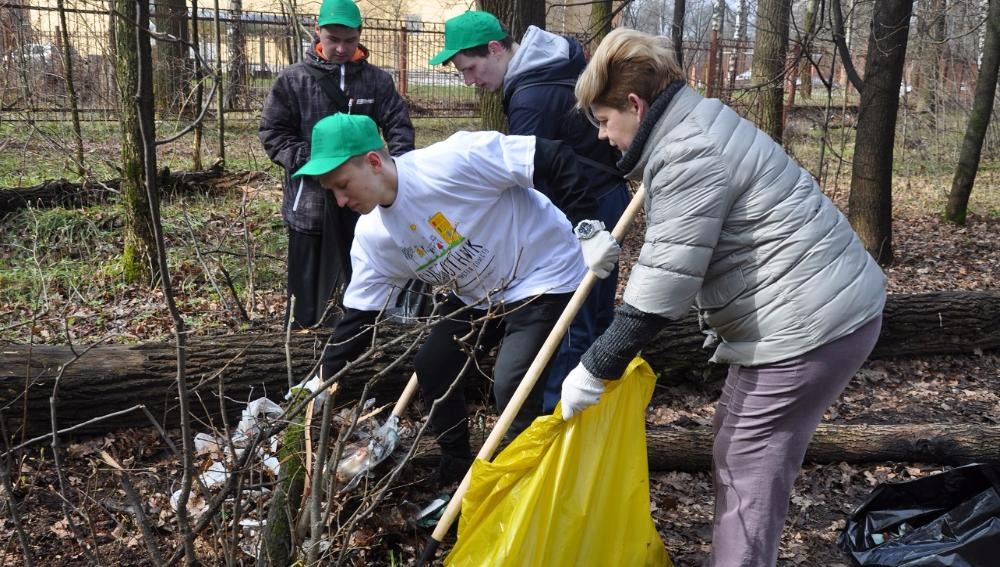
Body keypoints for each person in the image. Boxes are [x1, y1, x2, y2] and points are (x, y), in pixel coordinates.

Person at [560, 28, 886, 567]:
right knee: (736, 442)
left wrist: (596, 366)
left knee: (747, 456)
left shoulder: (688, 148)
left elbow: (665, 282)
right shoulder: (689, 125)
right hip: (815, 309)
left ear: (635, 105)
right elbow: (683, 239)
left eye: (603, 120)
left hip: (809, 321)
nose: (602, 135)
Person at [294, 113, 595, 486]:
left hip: (543, 271)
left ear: (373, 162)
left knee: (512, 382)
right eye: (332, 191)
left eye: (342, 185)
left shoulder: (453, 162)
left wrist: (589, 228)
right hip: (478, 293)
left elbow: (553, 157)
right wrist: (318, 384)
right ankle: (456, 469)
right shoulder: (374, 237)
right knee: (433, 368)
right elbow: (358, 319)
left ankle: (527, 481)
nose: (339, 201)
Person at [429, 10, 628, 412]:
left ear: (495, 48)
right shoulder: (558, 61)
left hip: (582, 212)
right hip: (606, 197)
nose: (470, 81)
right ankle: (597, 415)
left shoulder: (531, 96)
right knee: (594, 318)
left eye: (470, 68)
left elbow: (533, 178)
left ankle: (560, 424)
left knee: (573, 325)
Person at [260, 0, 414, 329]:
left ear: (360, 36)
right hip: (311, 206)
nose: (341, 48)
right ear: (318, 32)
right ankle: (304, 348)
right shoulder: (294, 80)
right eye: (333, 39)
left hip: (366, 205)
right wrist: (319, 165)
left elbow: (399, 127)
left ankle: (362, 342)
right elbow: (273, 133)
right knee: (308, 299)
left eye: (349, 40)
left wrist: (396, 174)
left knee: (366, 280)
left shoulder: (377, 81)